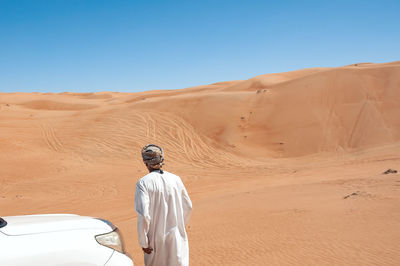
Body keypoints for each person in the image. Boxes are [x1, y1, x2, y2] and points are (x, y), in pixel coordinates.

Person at [135, 144, 192, 266]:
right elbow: (188, 206)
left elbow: (144, 215)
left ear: (145, 163)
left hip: (155, 241)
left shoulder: (143, 183)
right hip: (177, 237)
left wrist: (144, 243)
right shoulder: (176, 179)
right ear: (162, 160)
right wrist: (181, 227)